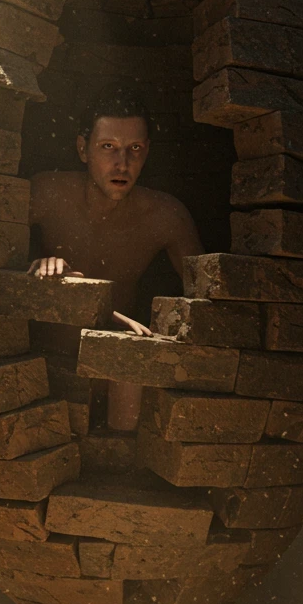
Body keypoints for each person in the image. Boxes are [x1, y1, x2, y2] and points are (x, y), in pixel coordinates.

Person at [28, 85, 202, 430]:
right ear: (83, 149)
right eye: (108, 147)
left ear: (147, 151)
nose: (122, 163)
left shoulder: (165, 216)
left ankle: (123, 452)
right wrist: (34, 267)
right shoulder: (47, 193)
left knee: (132, 363)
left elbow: (210, 300)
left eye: (134, 148)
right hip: (41, 368)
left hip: (118, 373)